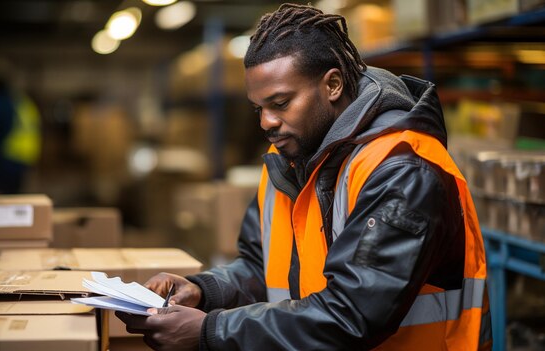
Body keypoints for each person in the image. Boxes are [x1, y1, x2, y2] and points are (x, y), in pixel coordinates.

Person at [116, 3, 492, 350]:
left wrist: (209, 331)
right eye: (258, 108)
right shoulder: (289, 159)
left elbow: (352, 313)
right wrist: (203, 291)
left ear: (333, 85)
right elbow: (259, 266)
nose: (266, 122)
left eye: (280, 103)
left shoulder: (402, 168)